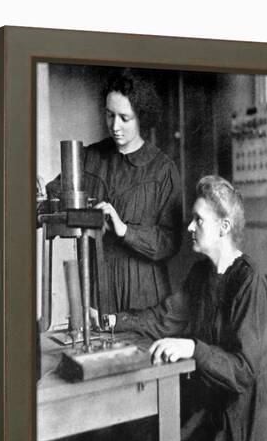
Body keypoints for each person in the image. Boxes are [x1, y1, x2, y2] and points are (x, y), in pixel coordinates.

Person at [105, 175, 267, 441]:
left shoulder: (249, 281)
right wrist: (111, 321)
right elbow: (163, 319)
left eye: (199, 220)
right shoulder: (200, 273)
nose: (190, 227)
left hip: (244, 423)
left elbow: (244, 371)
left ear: (224, 227)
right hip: (211, 409)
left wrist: (193, 348)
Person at [47, 69, 182, 313]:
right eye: (109, 115)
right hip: (98, 287)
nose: (115, 126)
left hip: (144, 291)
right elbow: (57, 193)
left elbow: (170, 241)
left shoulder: (163, 170)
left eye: (124, 118)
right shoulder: (89, 158)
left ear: (142, 117)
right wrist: (45, 196)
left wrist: (125, 230)